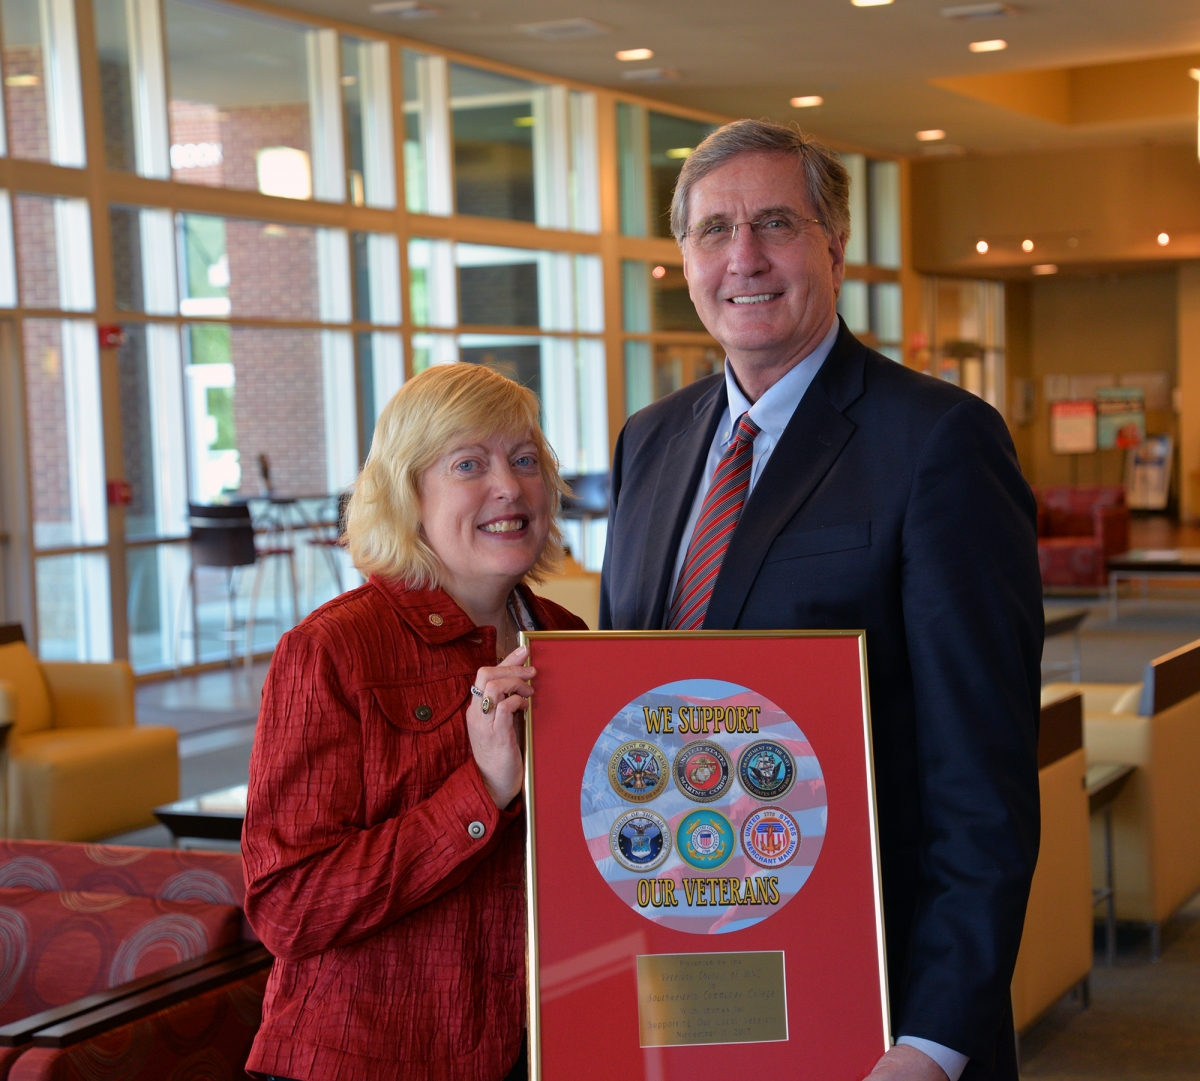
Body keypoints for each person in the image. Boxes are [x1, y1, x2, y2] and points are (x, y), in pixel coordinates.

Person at [600, 119, 1042, 1081]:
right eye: (714, 231)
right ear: (684, 260)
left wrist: (932, 1041)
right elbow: (628, 719)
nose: (743, 258)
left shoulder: (940, 442)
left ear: (833, 246)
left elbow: (985, 781)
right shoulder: (649, 442)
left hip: (871, 1000)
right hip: (678, 985)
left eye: (773, 224)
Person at [243, 363, 588, 1081]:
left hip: (538, 1048)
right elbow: (289, 909)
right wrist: (482, 790)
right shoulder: (332, 649)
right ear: (409, 495)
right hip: (367, 1058)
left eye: (526, 460)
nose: (509, 485)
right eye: (470, 463)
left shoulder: (567, 637)